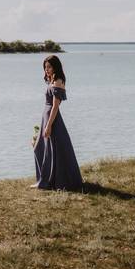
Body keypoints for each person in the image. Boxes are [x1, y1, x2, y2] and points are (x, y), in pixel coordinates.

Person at [32, 54, 83, 191]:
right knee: (41, 148)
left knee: (55, 151)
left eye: (49, 67)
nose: (46, 70)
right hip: (46, 117)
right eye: (45, 67)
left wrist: (49, 125)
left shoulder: (58, 81)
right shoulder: (52, 81)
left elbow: (55, 106)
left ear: (55, 67)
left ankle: (55, 181)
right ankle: (45, 180)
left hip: (53, 120)